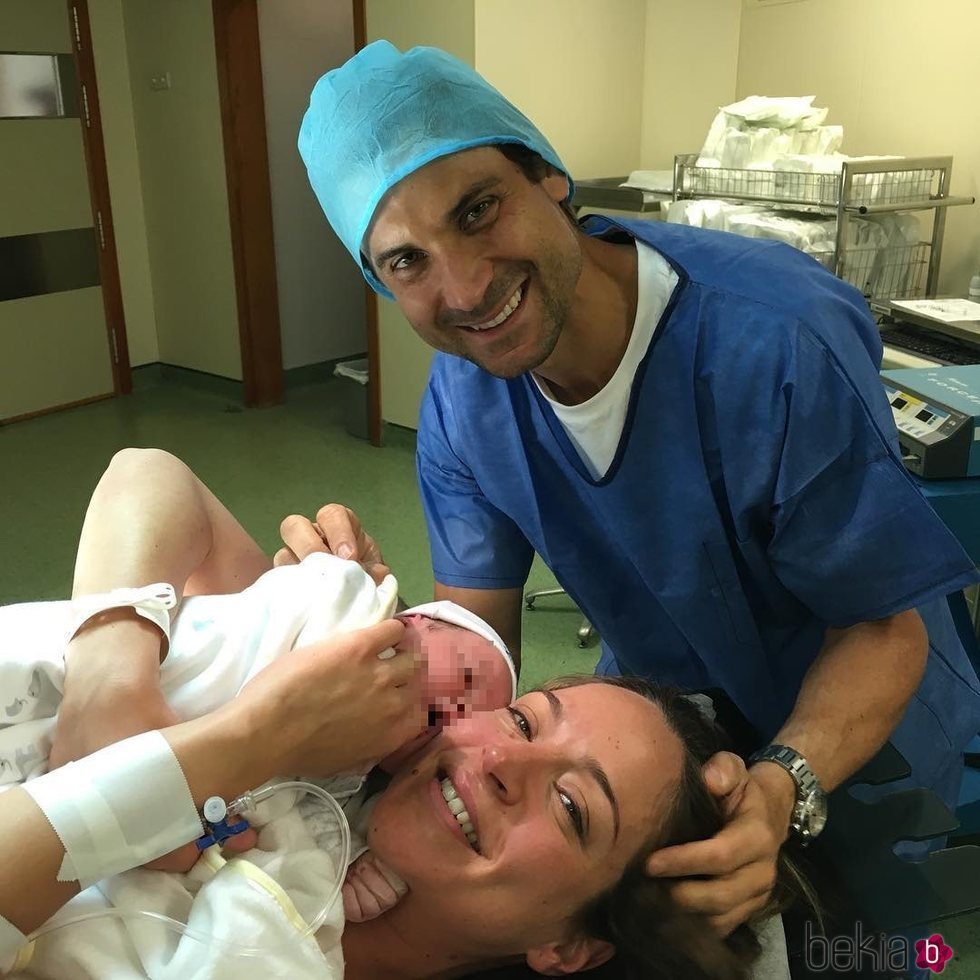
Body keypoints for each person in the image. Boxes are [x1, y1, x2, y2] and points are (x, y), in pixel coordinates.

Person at [282, 39, 980, 936]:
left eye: (479, 209)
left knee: (876, 939)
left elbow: (884, 625)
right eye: (406, 262)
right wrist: (355, 623)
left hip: (867, 728)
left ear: (550, 179)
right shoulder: (465, 405)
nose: (463, 285)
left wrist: (781, 786)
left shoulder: (774, 343)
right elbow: (475, 667)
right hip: (661, 738)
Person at [0, 456, 794, 978]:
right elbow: (146, 475)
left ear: (568, 947)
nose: (494, 756)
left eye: (571, 806)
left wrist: (244, 744)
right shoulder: (325, 777)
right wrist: (112, 666)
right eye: (521, 721)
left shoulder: (277, 939)